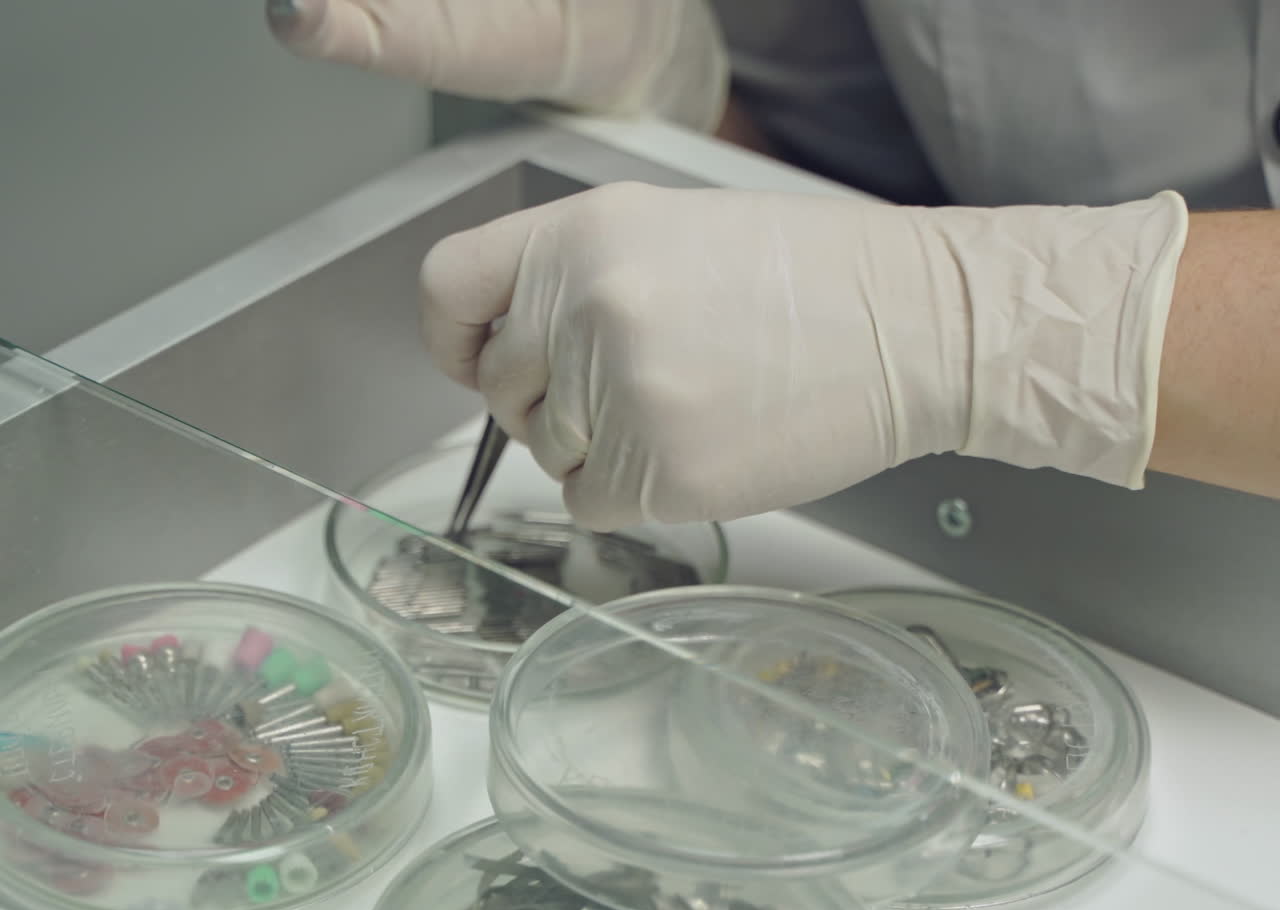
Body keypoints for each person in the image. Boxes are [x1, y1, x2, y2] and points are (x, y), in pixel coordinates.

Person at [266, 0, 1280, 530]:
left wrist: (980, 325)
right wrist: (675, 83)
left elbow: (896, 300)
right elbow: (837, 187)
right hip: (998, 511)